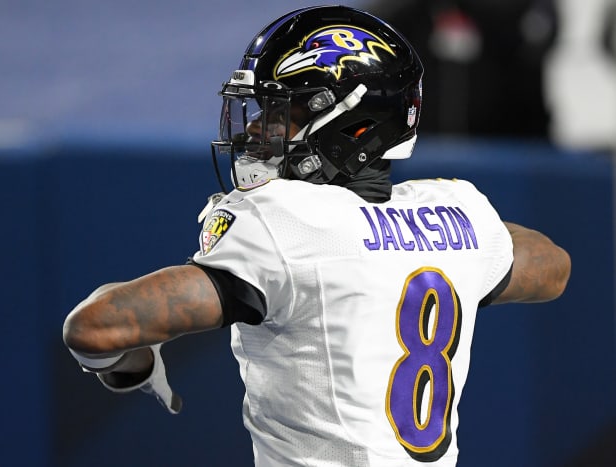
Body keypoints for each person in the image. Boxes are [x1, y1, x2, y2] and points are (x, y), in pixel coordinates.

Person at [62, 5, 571, 466]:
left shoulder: (288, 223)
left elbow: (95, 327)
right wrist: (448, 247)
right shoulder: (460, 214)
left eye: (288, 110)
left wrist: (131, 361)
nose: (260, 127)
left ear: (354, 122)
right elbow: (553, 269)